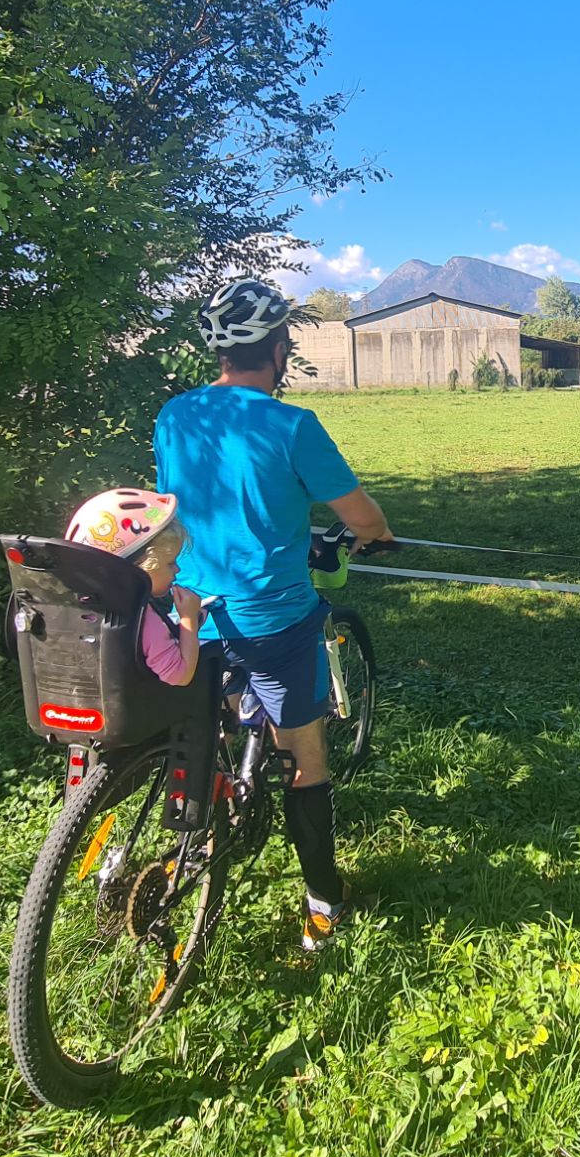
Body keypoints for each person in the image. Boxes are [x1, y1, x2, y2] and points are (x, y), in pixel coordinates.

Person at [154, 278, 394, 952]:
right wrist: (377, 535)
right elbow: (360, 515)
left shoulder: (176, 416)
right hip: (273, 617)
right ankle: (324, 903)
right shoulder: (292, 424)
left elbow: (192, 501)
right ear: (280, 348)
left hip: (191, 609)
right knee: (306, 761)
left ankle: (215, 800)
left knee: (208, 725)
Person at [63, 488, 203, 688]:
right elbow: (179, 675)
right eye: (170, 563)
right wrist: (189, 619)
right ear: (139, 569)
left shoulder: (70, 605)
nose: (177, 569)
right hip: (131, 714)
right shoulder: (141, 619)